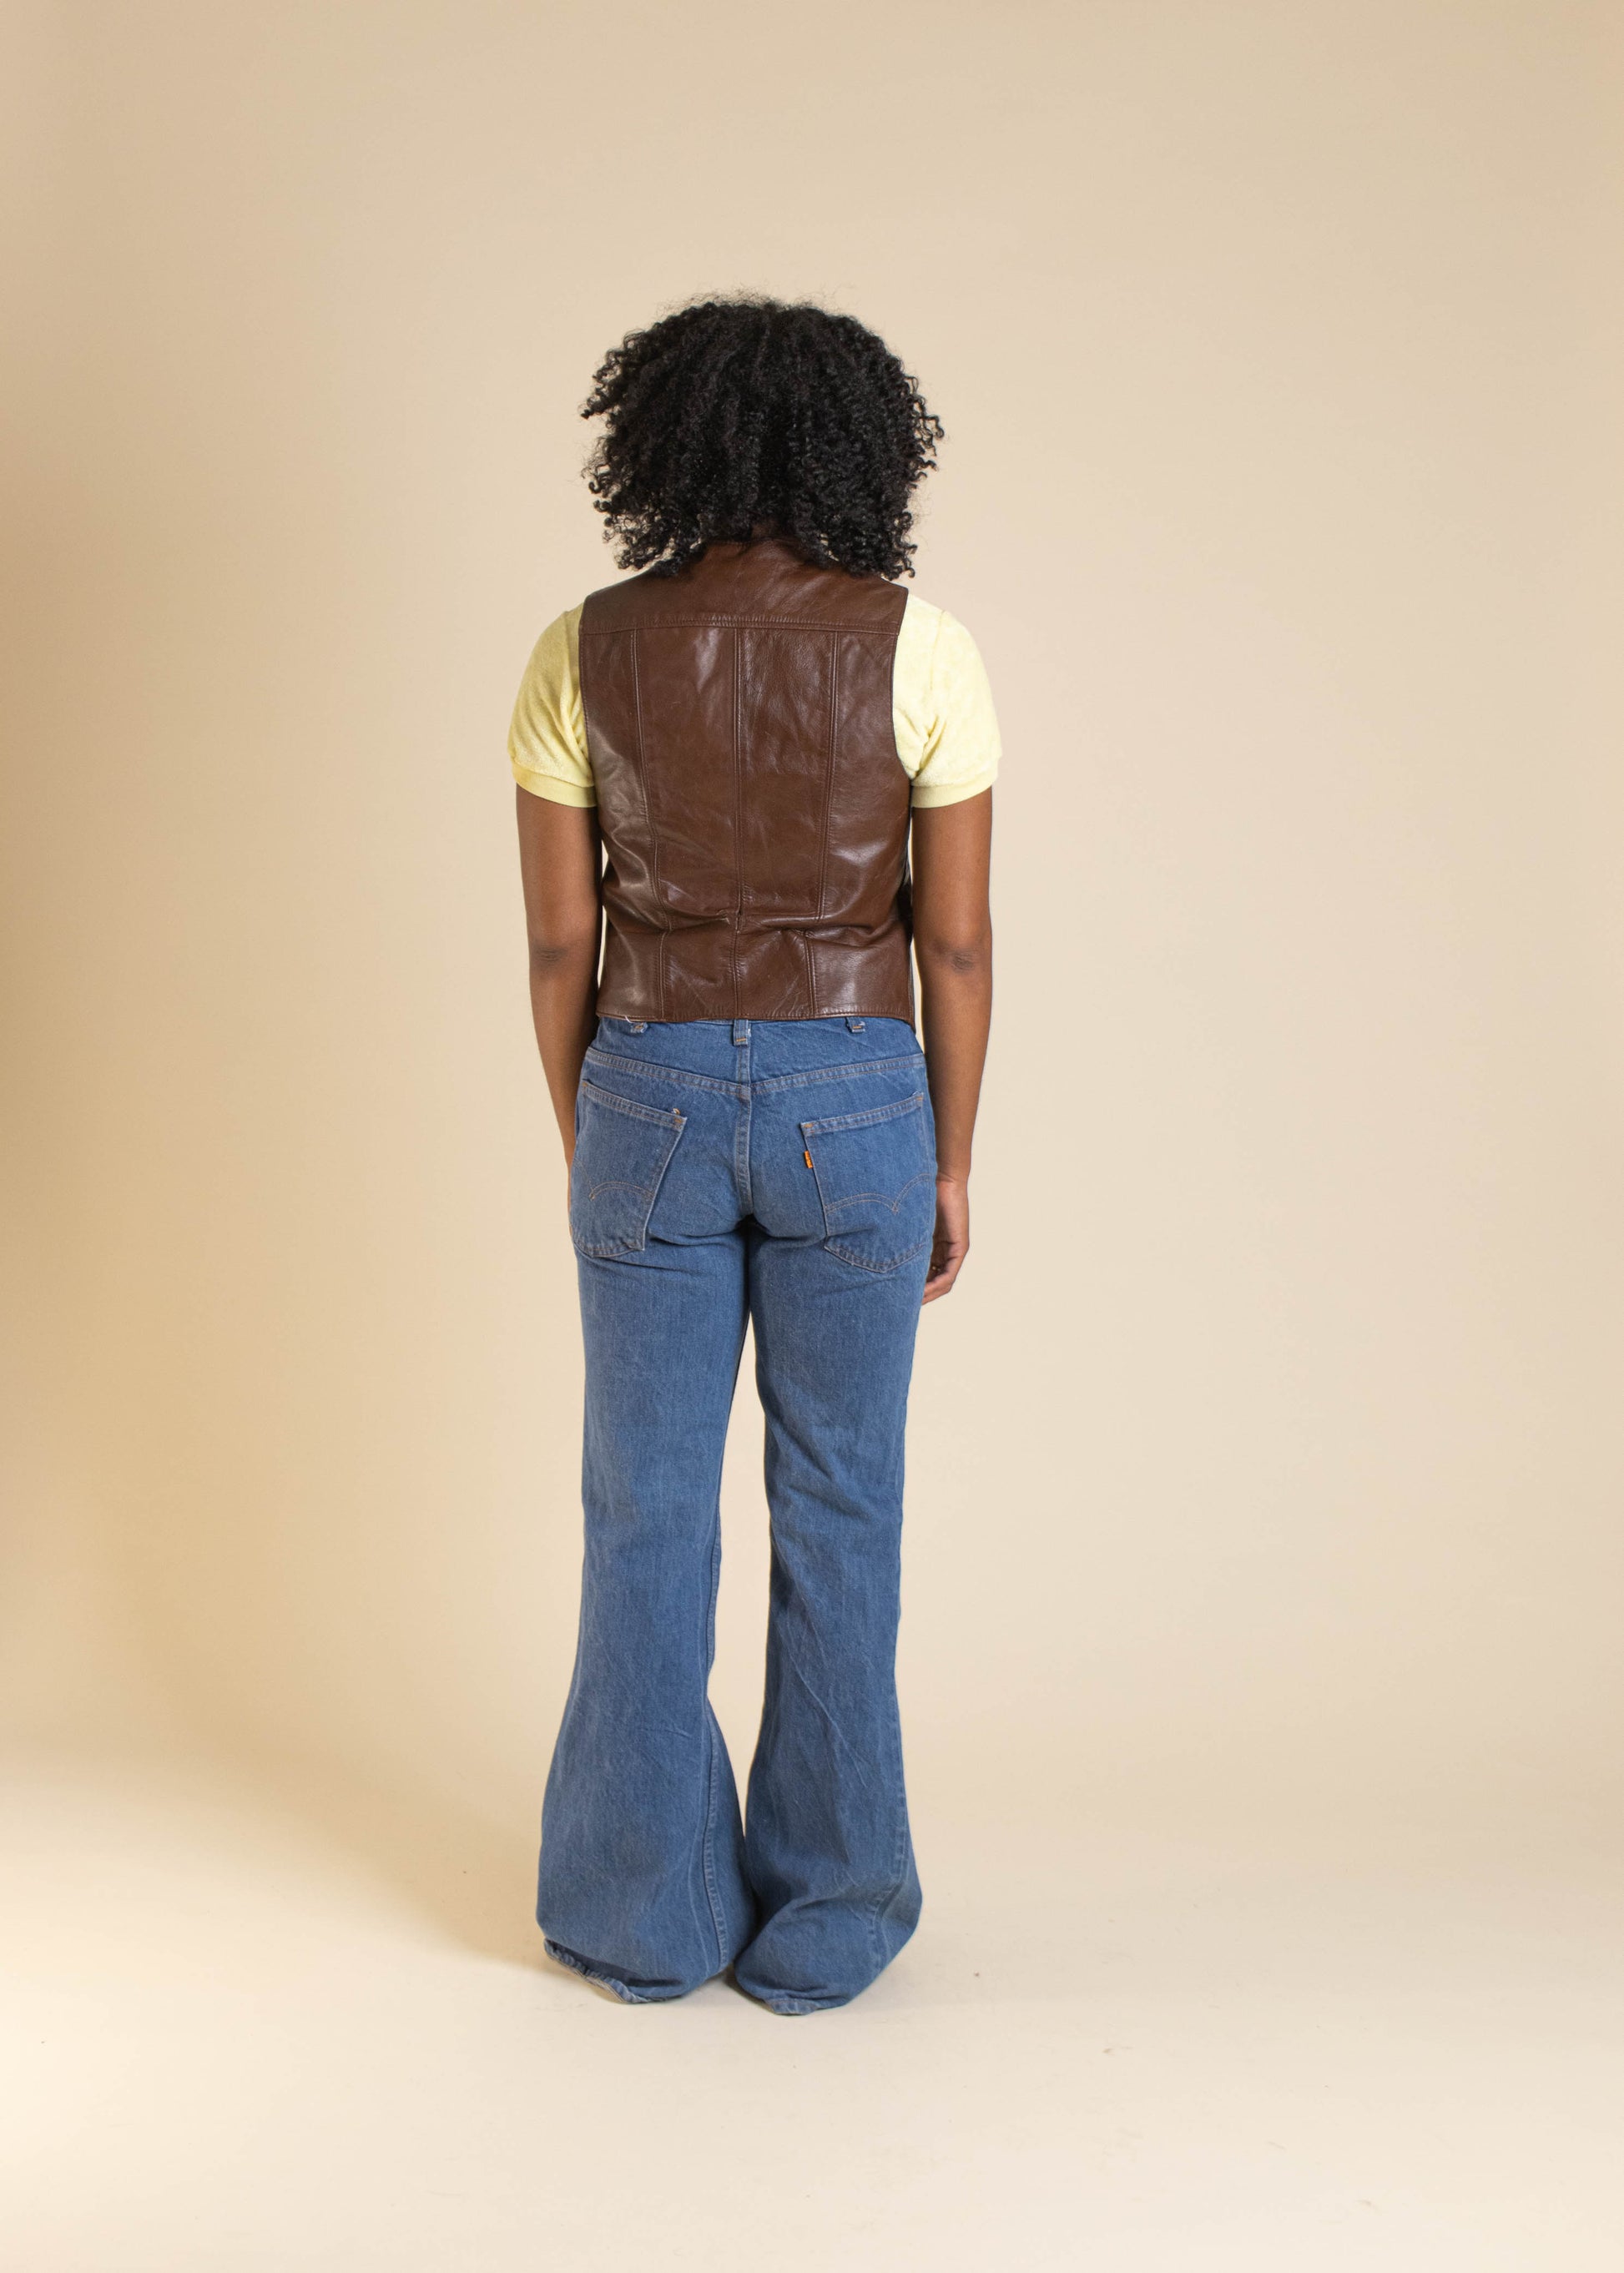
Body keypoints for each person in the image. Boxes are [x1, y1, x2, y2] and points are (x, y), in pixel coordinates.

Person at [510, 297, 996, 2014]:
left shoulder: (585, 647)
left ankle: (642, 1923)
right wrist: (948, 1159)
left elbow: (560, 946)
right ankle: (829, 1920)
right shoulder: (919, 646)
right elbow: (951, 943)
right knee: (841, 1507)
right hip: (857, 1098)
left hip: (643, 1084)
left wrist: (598, 1130)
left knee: (642, 1514)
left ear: (661, 447)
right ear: (860, 449)